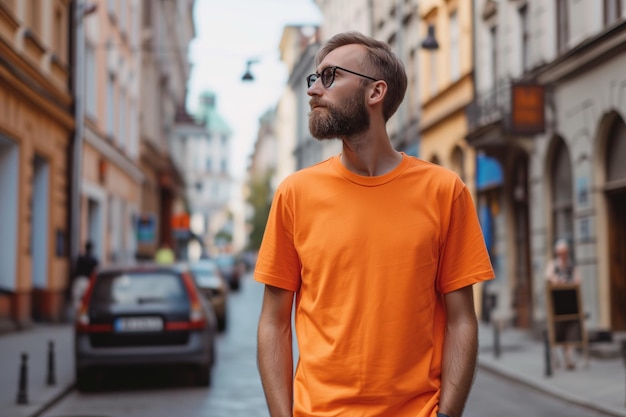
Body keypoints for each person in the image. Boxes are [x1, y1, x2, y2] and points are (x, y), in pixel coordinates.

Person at [255, 31, 495, 417]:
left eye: (330, 76)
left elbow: (461, 320)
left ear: (375, 92)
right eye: (313, 78)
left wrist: (447, 414)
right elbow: (273, 322)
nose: (314, 90)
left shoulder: (444, 190)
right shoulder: (294, 193)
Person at [544, 238, 581, 370]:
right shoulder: (553, 265)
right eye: (560, 253)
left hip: (570, 306)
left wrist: (570, 282)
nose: (563, 255)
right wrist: (557, 280)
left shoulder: (571, 265)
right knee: (556, 333)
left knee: (570, 333)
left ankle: (569, 359)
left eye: (564, 252)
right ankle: (554, 359)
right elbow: (548, 277)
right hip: (556, 305)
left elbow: (577, 280)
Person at [72, 241, 98, 309]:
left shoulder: (80, 258)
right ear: (91, 249)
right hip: (88, 281)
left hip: (79, 280)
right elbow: (95, 272)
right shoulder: (94, 260)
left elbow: (75, 269)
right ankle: (83, 314)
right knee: (86, 300)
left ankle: (79, 314)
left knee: (77, 299)